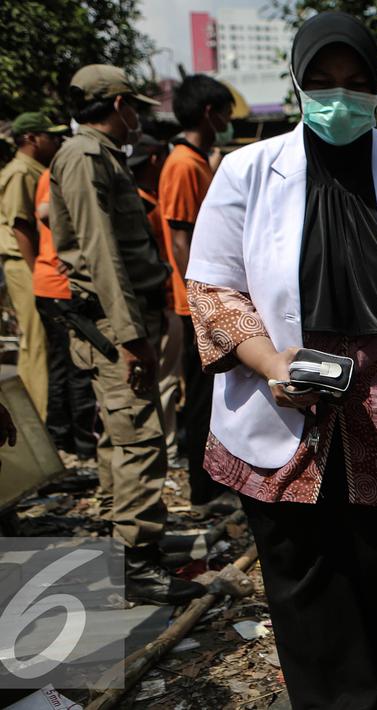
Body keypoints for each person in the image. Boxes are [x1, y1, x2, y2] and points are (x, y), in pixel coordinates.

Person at [185, 12, 377, 708]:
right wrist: (268, 364)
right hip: (286, 396)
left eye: (356, 83)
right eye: (321, 82)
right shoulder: (247, 172)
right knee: (305, 571)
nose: (339, 98)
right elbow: (209, 288)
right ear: (297, 84)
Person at [50, 65, 201, 606]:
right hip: (116, 324)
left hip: (117, 321)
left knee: (119, 435)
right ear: (116, 106)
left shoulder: (94, 155)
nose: (137, 116)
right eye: (132, 106)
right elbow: (101, 253)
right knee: (139, 438)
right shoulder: (86, 156)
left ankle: (131, 543)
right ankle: (138, 561)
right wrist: (130, 334)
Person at [162, 74, 236, 513]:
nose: (228, 121)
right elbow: (180, 237)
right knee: (200, 398)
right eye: (226, 113)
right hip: (194, 303)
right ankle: (201, 486)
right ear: (210, 113)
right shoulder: (184, 165)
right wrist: (202, 298)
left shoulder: (194, 161)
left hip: (197, 299)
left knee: (208, 394)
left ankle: (207, 480)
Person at [0, 112, 67, 419]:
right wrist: (34, 269)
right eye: (49, 136)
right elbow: (19, 226)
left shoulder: (33, 169)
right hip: (22, 262)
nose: (56, 141)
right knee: (37, 342)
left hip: (30, 262)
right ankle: (35, 417)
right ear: (30, 139)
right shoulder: (20, 172)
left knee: (38, 342)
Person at [33, 165, 98, 464]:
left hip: (52, 284)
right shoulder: (64, 169)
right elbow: (44, 211)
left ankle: (63, 442)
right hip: (59, 287)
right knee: (76, 368)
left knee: (64, 366)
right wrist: (71, 249)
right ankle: (76, 446)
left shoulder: (58, 168)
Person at [128, 135, 184, 468]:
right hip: (160, 301)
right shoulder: (144, 205)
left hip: (157, 301)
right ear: (153, 161)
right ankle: (167, 449)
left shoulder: (141, 200)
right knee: (163, 379)